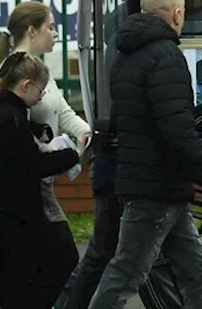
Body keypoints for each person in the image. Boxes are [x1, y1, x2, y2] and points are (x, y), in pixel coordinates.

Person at [86, 0, 202, 309]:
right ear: (177, 14)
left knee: (195, 268)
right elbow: (177, 128)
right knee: (126, 273)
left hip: (151, 182)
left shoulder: (125, 55)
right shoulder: (167, 57)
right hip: (156, 186)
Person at [0, 1, 91, 292]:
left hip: (39, 181)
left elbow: (62, 112)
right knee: (58, 262)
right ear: (32, 31)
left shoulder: (36, 69)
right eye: (51, 27)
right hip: (28, 185)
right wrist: (67, 153)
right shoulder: (17, 71)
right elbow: (20, 135)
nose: (56, 33)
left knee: (39, 268)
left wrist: (84, 132)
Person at [0, 52, 84, 309]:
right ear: (26, 85)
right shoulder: (10, 116)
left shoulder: (6, 110)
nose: (42, 96)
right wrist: (74, 154)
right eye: (41, 89)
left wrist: (38, 131)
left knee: (9, 280)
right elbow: (33, 164)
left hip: (5, 211)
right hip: (13, 214)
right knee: (19, 278)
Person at [57, 118, 119, 309]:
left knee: (102, 254)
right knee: (103, 254)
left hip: (110, 160)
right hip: (114, 165)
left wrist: (85, 133)